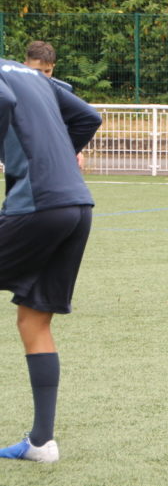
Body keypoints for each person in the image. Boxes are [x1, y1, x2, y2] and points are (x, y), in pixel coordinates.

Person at [0, 57, 103, 463]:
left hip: (40, 205)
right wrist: (55, 161)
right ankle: (42, 442)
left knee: (35, 318)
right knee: (34, 318)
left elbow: (3, 101)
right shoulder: (33, 75)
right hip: (77, 204)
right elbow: (88, 116)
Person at [23, 41, 85, 171]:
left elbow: (67, 124)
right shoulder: (13, 89)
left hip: (54, 156)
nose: (43, 76)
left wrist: (76, 150)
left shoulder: (64, 91)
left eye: (47, 71)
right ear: (25, 66)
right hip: (24, 154)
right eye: (37, 71)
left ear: (53, 67)